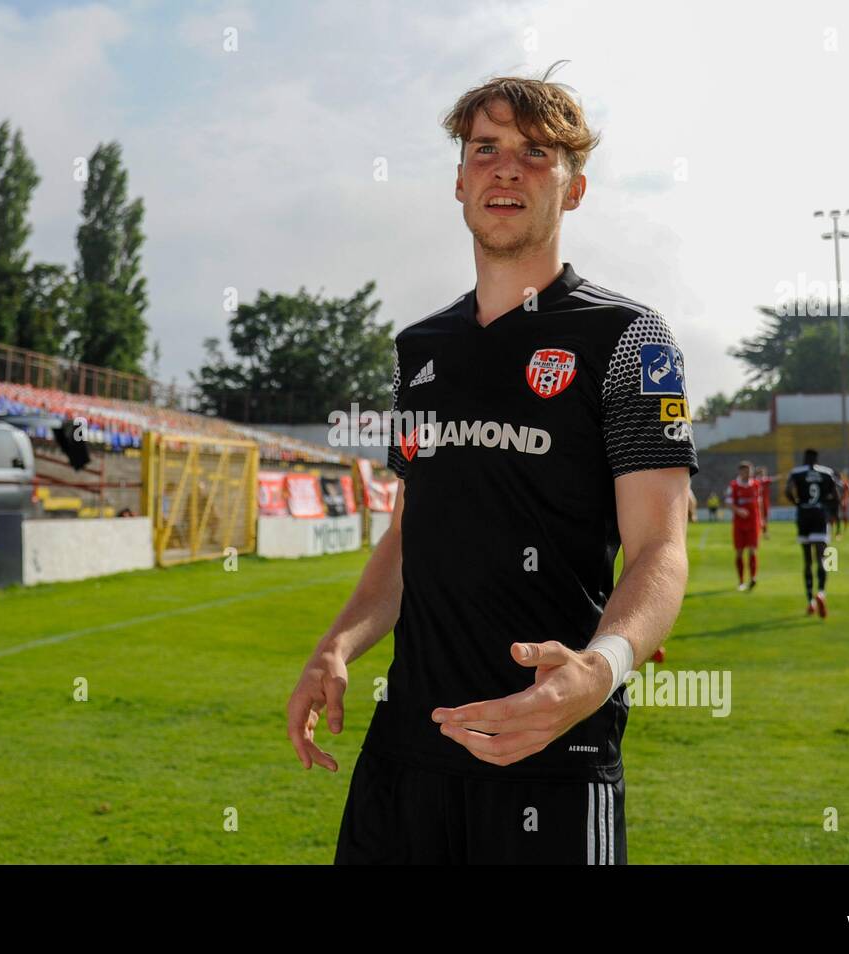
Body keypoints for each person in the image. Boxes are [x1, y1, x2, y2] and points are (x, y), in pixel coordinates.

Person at [287, 64, 698, 865]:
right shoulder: (421, 349)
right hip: (407, 747)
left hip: (549, 742)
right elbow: (411, 537)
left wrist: (597, 670)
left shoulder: (631, 342)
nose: (507, 167)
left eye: (538, 153)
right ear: (460, 180)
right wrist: (335, 646)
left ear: (573, 190)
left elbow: (661, 547)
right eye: (486, 148)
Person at [784, 448, 841, 618]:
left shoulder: (796, 473)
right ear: (817, 459)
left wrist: (797, 503)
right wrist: (832, 515)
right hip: (820, 514)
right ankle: (821, 592)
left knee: (807, 560)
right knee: (822, 557)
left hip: (804, 514)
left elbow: (788, 490)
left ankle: (810, 601)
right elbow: (836, 495)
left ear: (804, 459)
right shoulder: (827, 472)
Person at [725, 460, 762, 591]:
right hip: (739, 524)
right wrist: (738, 510)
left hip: (753, 523)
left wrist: (761, 520)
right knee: (739, 552)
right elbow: (728, 503)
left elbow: (759, 503)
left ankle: (753, 578)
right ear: (740, 472)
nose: (748, 473)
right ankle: (741, 581)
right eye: (745, 471)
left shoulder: (756, 485)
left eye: (750, 471)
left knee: (753, 550)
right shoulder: (733, 485)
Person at [755, 465, 774, 539]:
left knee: (763, 518)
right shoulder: (759, 481)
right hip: (760, 502)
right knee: (762, 518)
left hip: (763, 502)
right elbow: (771, 479)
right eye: (763, 472)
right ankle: (763, 532)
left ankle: (763, 532)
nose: (764, 473)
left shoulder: (758, 480)